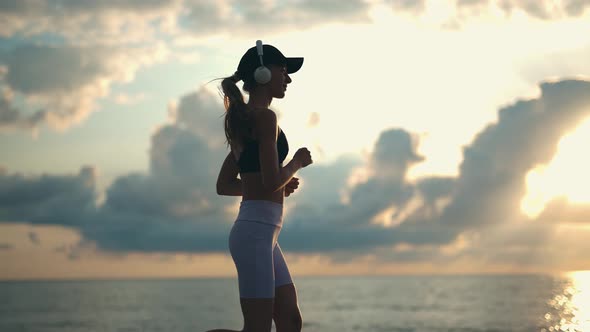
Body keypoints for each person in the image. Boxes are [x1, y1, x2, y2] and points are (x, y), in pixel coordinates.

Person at [209, 41, 313, 332]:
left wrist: (278, 185)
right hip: (255, 233)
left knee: (290, 322)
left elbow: (226, 185)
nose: (288, 78)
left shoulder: (244, 122)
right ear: (264, 73)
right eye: (284, 71)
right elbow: (268, 181)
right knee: (256, 329)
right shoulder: (265, 118)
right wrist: (296, 163)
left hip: (263, 235)